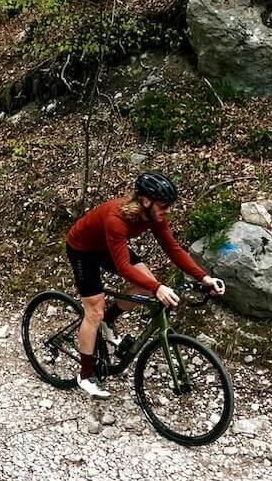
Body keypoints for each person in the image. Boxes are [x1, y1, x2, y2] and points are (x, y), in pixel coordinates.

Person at [64, 170, 225, 398]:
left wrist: (203, 277)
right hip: (83, 249)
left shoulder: (154, 217)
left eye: (169, 205)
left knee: (145, 285)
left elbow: (173, 249)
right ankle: (86, 373)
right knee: (94, 311)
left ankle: (108, 323)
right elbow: (123, 267)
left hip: (108, 246)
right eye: (164, 205)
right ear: (145, 201)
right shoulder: (116, 219)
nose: (168, 211)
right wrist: (158, 287)